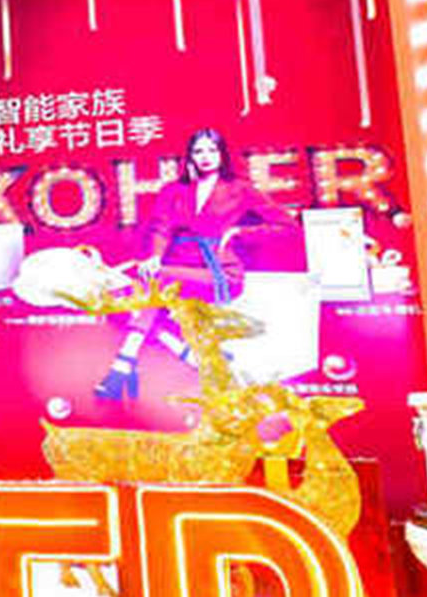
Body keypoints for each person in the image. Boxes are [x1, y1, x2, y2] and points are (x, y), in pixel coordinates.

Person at [94, 126, 295, 400]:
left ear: (222, 155)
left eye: (212, 150)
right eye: (199, 151)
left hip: (219, 272)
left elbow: (287, 226)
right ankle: (188, 352)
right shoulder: (174, 190)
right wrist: (154, 256)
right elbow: (161, 227)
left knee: (154, 284)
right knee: (117, 298)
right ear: (190, 156)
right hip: (177, 269)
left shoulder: (240, 190)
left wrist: (240, 232)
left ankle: (122, 366)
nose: (206, 157)